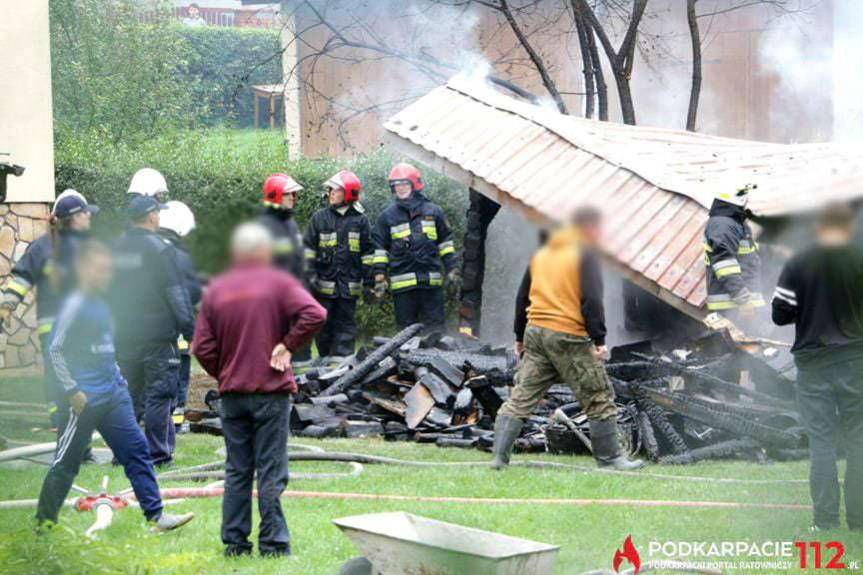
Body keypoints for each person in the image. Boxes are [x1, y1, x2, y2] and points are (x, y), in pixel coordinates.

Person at [35, 240, 194, 532]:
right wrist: (72, 390)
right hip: (83, 400)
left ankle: (156, 517)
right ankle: (44, 523)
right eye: (100, 269)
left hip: (113, 394)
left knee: (137, 451)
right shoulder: (75, 304)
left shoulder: (103, 303)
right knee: (66, 464)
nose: (106, 274)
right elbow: (54, 350)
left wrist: (118, 379)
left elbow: (106, 349)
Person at [193, 222, 326, 557]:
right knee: (270, 470)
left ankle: (235, 546)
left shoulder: (217, 289)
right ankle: (274, 546)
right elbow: (316, 313)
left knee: (237, 471)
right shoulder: (278, 283)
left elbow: (202, 347)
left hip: (233, 396)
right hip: (270, 392)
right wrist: (287, 345)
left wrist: (225, 373)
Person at [492, 207, 644, 471]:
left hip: (536, 333)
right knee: (598, 395)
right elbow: (592, 300)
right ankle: (611, 460)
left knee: (522, 395)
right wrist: (599, 339)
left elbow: (522, 298)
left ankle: (499, 459)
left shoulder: (542, 254)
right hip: (568, 335)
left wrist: (519, 336)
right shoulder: (585, 254)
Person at [772, 203, 863, 532]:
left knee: (821, 443)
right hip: (856, 362)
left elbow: (780, 314)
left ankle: (825, 522)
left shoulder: (799, 261)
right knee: (859, 441)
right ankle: (859, 520)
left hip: (813, 366)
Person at [1, 191, 98, 431]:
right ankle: (65, 430)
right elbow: (21, 281)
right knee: (64, 379)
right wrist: (5, 307)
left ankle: (71, 431)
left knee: (73, 379)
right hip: (59, 327)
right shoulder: (46, 248)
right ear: (75, 218)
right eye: (86, 213)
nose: (90, 218)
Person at [111, 195, 195, 467]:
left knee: (128, 395)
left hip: (124, 336)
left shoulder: (117, 248)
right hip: (158, 337)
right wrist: (190, 330)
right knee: (159, 395)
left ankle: (121, 453)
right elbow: (176, 294)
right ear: (151, 216)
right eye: (157, 213)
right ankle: (158, 455)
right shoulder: (160, 249)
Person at [372, 163, 459, 331]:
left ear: (414, 184)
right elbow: (380, 250)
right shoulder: (386, 217)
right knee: (405, 336)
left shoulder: (434, 212)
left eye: (405, 183)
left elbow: (446, 244)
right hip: (403, 288)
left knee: (436, 331)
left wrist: (452, 270)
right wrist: (379, 277)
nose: (401, 188)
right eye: (397, 185)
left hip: (430, 285)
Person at [303, 170, 374, 357]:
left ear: (349, 193)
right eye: (329, 190)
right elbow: (307, 250)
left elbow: (368, 254)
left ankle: (341, 370)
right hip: (323, 287)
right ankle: (325, 365)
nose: (330, 193)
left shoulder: (361, 220)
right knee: (322, 328)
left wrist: (370, 283)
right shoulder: (319, 218)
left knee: (346, 328)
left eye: (335, 190)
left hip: (348, 288)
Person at [158, 201, 203, 430]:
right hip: (177, 331)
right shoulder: (180, 257)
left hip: (150, 333)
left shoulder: (150, 249)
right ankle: (175, 423)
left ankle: (154, 419)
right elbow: (192, 293)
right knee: (179, 375)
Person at [703, 184, 765, 322]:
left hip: (741, 305)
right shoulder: (723, 225)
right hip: (735, 307)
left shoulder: (732, 222)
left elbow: (747, 258)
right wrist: (744, 301)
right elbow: (725, 265)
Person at [258, 173, 306, 280]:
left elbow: (298, 258)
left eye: (292, 194)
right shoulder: (263, 227)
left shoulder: (290, 222)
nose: (291, 197)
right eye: (286, 194)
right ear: (274, 195)